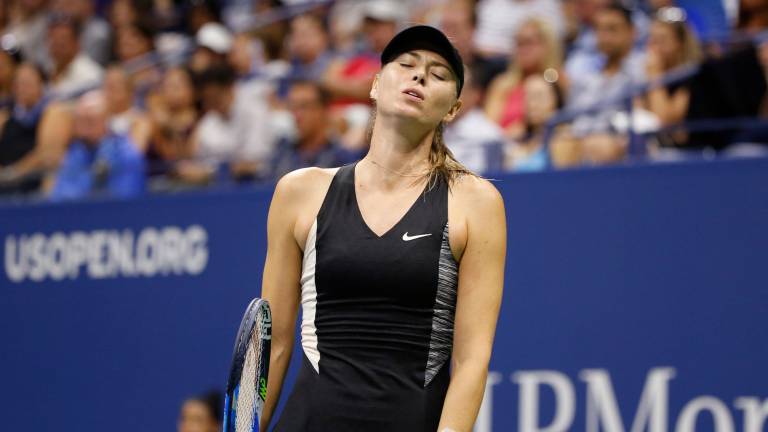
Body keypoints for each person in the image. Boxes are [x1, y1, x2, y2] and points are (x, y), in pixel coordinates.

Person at [261, 25, 506, 431]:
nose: (420, 75)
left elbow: (471, 361)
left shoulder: (476, 202)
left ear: (453, 109)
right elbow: (274, 346)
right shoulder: (299, 192)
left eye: (439, 74)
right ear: (375, 85)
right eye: (406, 64)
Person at [50, 91, 145, 201]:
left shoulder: (125, 153)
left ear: (106, 120)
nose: (83, 128)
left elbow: (126, 197)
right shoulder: (75, 152)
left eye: (90, 121)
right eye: (79, 120)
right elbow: (60, 196)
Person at [270, 80, 361, 179]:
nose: (297, 115)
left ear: (324, 110)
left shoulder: (342, 158)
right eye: (293, 107)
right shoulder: (282, 151)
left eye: (304, 107)